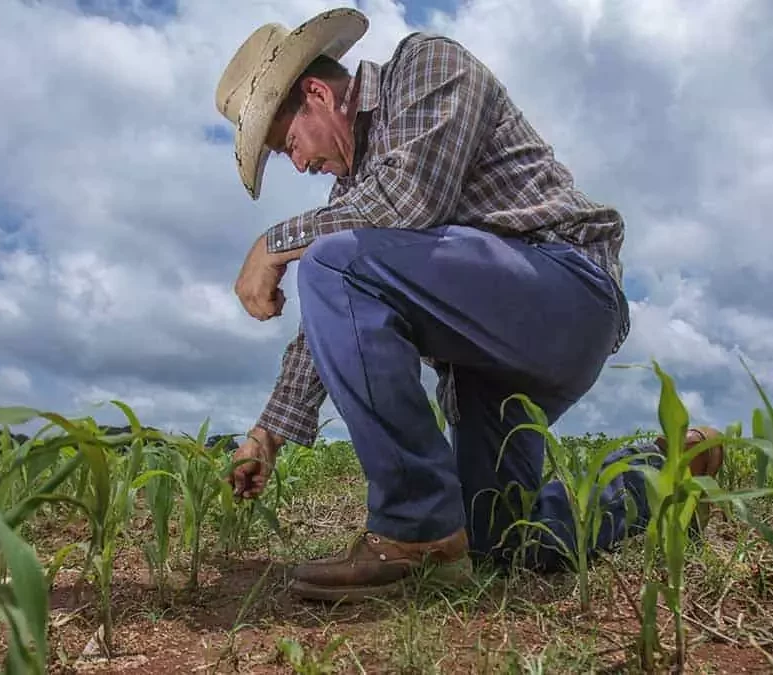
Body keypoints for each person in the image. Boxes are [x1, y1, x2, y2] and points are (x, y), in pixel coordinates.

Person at [214, 8, 724, 603]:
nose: (299, 163)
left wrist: (272, 245)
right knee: (499, 538)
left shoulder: (426, 66)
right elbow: (338, 317)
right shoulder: (351, 200)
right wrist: (266, 436)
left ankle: (412, 529)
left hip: (565, 290)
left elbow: (410, 201)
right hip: (487, 367)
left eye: (288, 144)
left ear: (318, 93)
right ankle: (661, 476)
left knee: (330, 259)